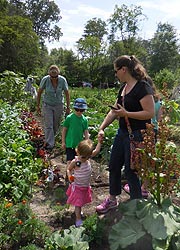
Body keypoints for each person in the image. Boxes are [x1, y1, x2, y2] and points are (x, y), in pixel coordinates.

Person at [96, 55, 155, 214]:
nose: (115, 74)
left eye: (116, 71)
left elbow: (149, 112)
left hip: (137, 134)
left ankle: (137, 205)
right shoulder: (123, 88)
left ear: (124, 69)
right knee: (114, 166)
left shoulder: (142, 87)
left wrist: (127, 113)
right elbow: (115, 111)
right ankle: (113, 199)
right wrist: (102, 127)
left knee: (131, 170)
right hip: (122, 133)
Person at [66, 138, 102, 227]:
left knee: (80, 202)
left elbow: (96, 151)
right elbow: (68, 169)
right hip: (78, 186)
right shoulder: (76, 162)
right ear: (77, 152)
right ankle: (78, 219)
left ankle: (79, 213)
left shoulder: (86, 156)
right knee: (78, 204)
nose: (85, 159)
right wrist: (70, 177)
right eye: (83, 157)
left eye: (88, 157)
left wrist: (99, 142)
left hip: (85, 186)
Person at [37, 65, 70, 151]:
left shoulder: (63, 80)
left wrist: (68, 107)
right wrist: (38, 106)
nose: (54, 78)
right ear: (49, 75)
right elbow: (39, 92)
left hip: (59, 104)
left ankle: (51, 138)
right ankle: (49, 144)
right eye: (52, 76)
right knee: (49, 125)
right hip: (47, 104)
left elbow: (67, 93)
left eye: (55, 76)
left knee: (56, 125)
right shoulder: (45, 79)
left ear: (58, 74)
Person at [62, 98, 89, 174]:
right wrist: (63, 142)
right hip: (70, 143)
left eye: (82, 110)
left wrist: (87, 143)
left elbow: (86, 132)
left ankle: (76, 175)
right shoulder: (69, 118)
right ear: (74, 108)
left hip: (79, 145)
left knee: (78, 160)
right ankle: (68, 175)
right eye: (77, 110)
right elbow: (64, 130)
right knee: (69, 160)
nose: (79, 112)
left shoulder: (84, 120)